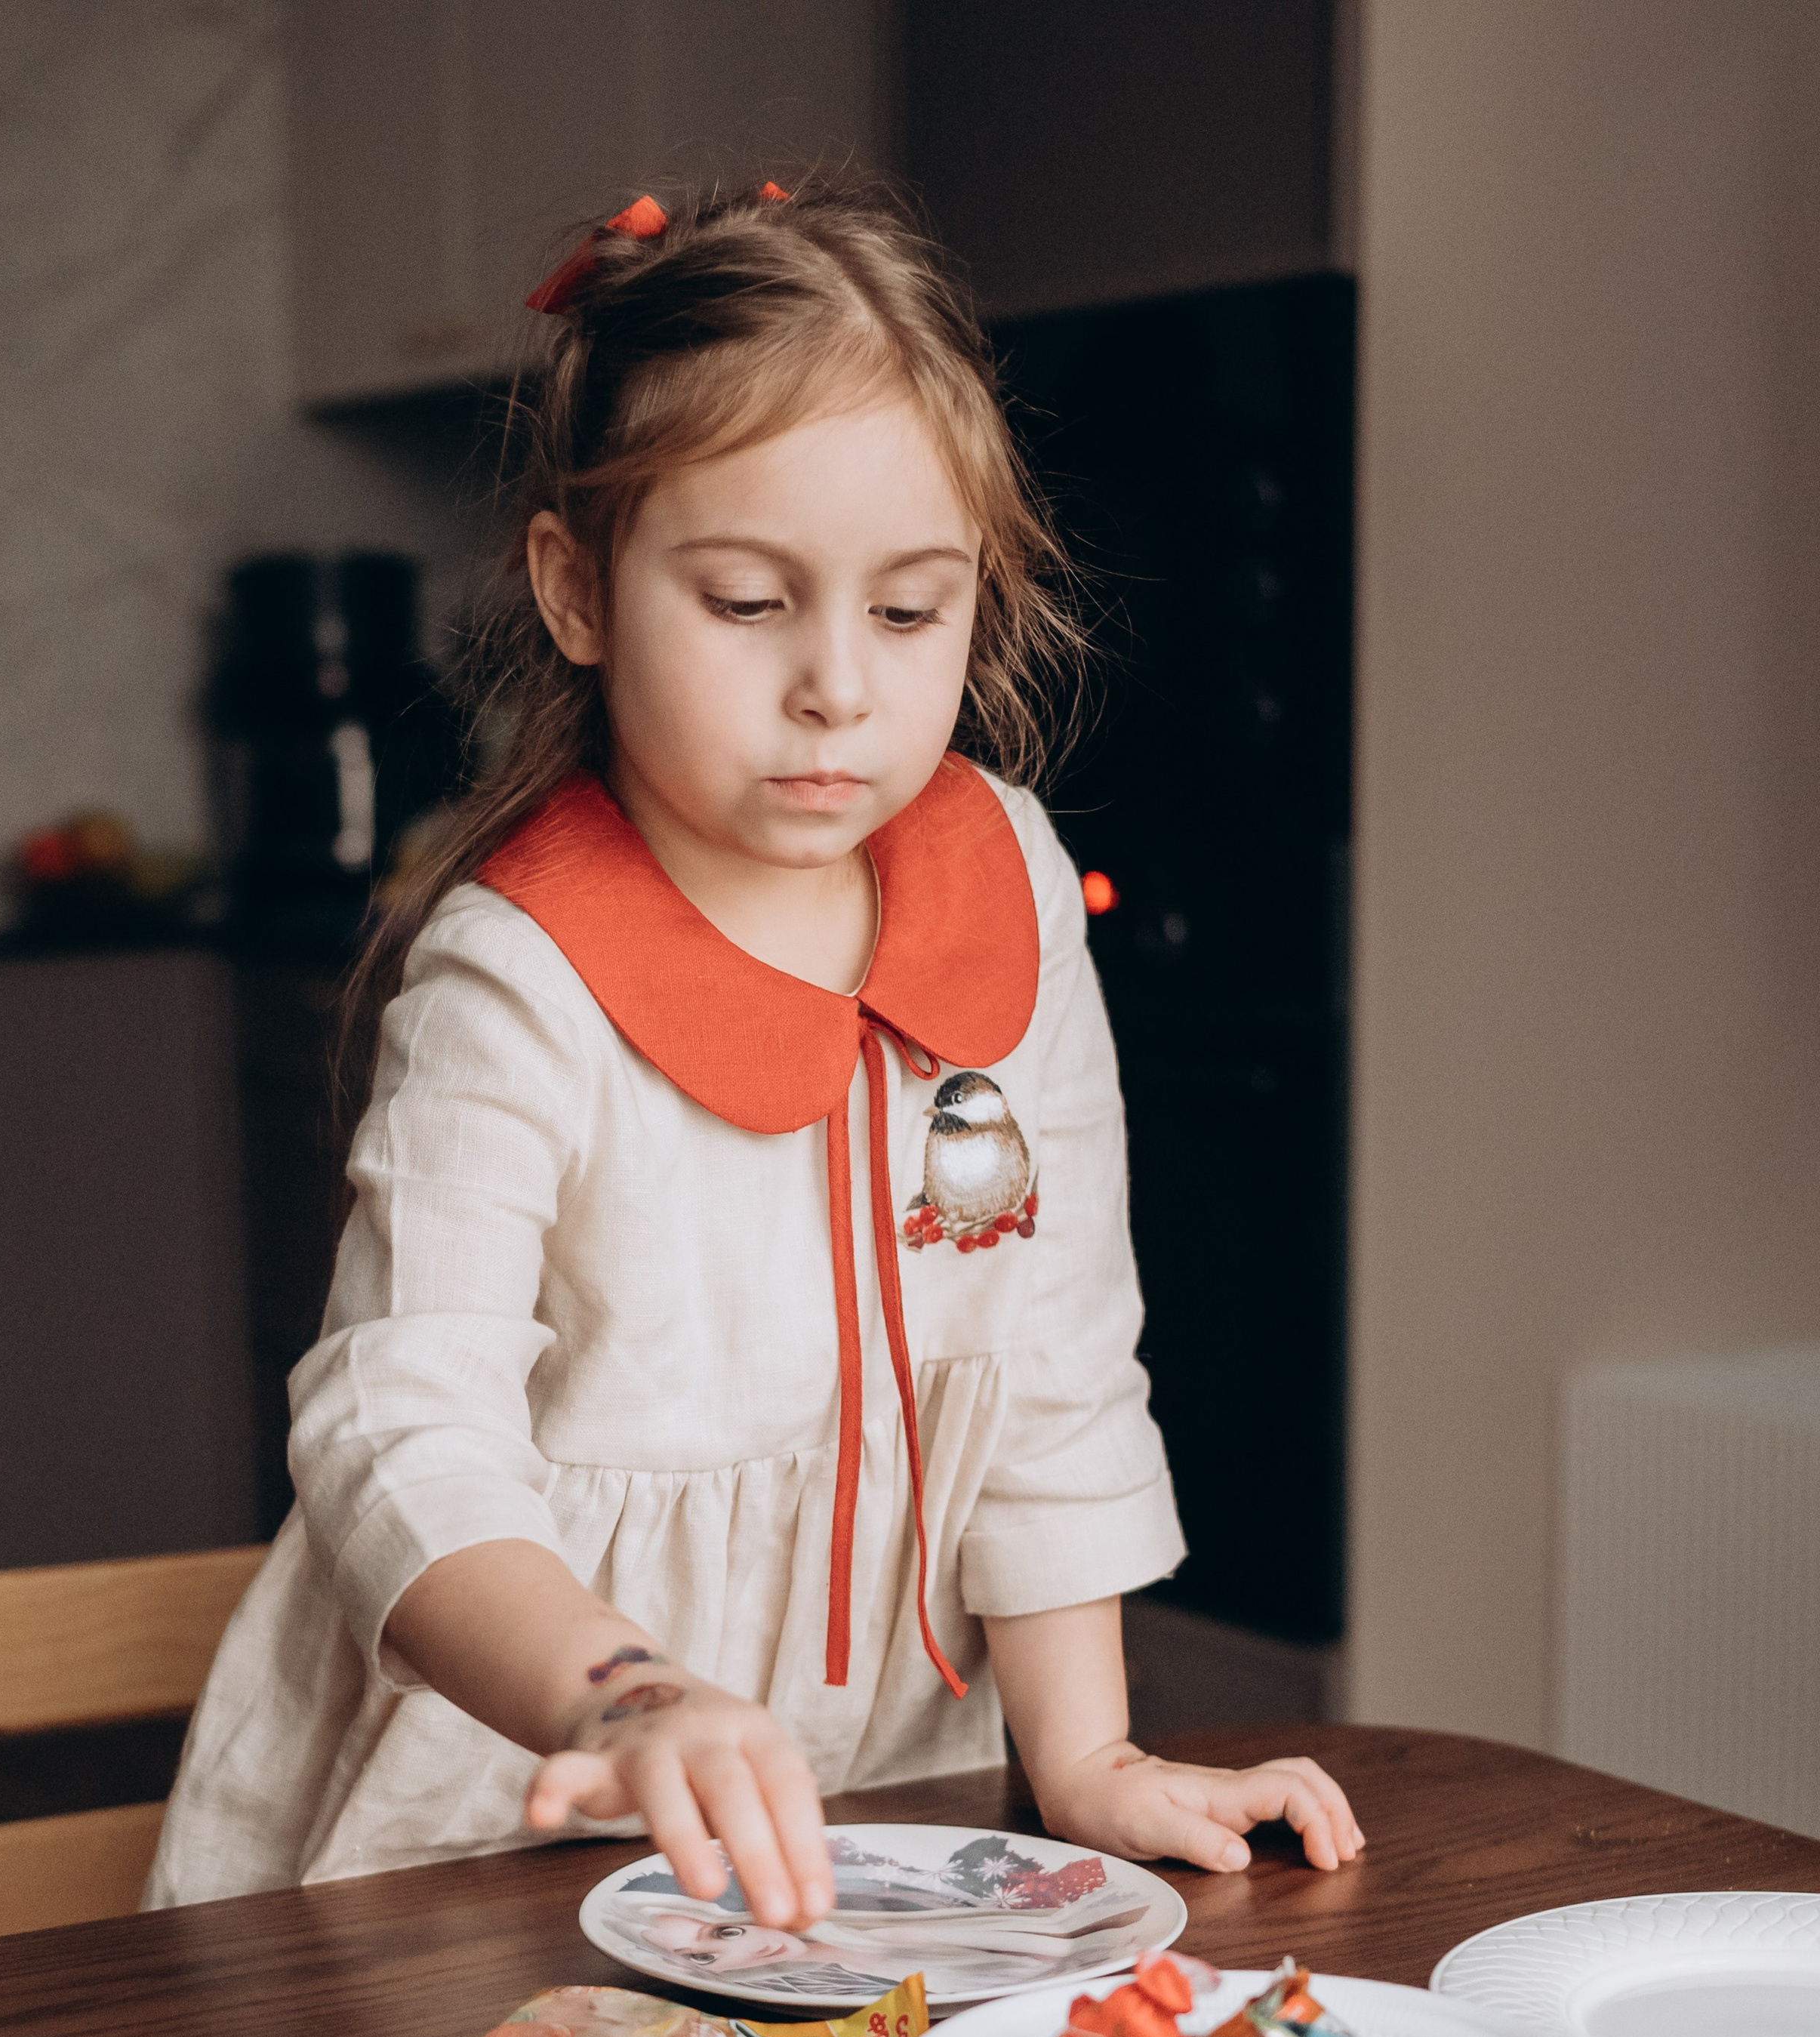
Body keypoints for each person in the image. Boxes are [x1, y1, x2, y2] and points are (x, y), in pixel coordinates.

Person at [146, 180, 1361, 1926]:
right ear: (578, 590)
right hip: (504, 1814)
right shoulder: (522, 970)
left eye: (905, 610)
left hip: (869, 1819)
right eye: (743, 601)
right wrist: (619, 1690)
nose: (834, 689)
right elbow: (393, 1431)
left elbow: (1051, 1347)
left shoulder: (1006, 877)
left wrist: (1083, 1756)